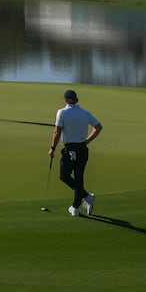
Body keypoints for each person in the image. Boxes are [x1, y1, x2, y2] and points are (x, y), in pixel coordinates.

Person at [50, 88, 102, 217]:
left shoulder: (61, 112)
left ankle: (76, 206)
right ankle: (85, 198)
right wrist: (88, 140)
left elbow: (57, 132)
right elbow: (98, 127)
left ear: (66, 100)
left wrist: (52, 148)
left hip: (70, 150)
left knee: (64, 176)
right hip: (83, 149)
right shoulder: (84, 113)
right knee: (78, 178)